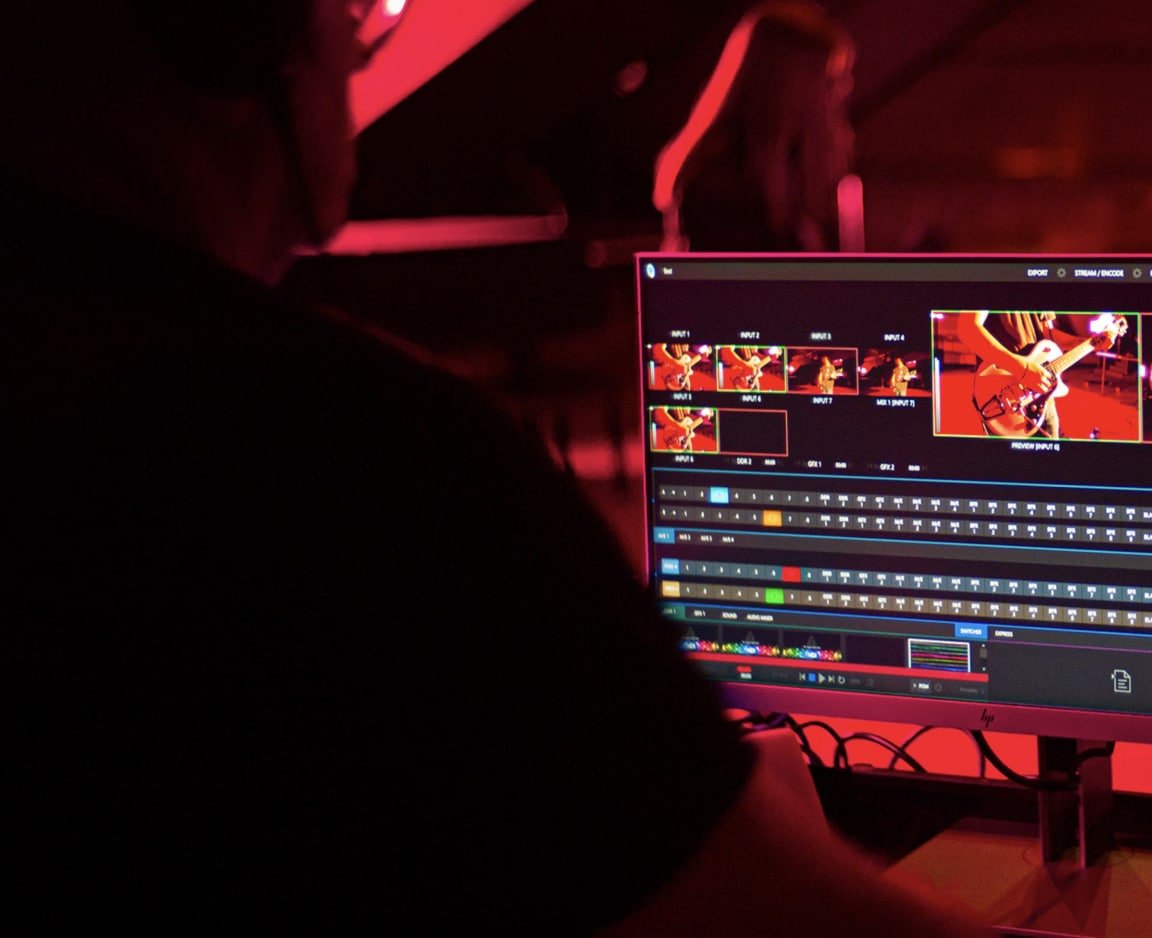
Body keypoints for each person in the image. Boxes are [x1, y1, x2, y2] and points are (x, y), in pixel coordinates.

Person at [2, 3, 994, 932]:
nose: (360, 47)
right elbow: (781, 911)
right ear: (229, 39)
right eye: (349, 10)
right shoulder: (363, 465)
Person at [653, 0, 855, 252]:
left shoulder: (796, 168)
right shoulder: (718, 183)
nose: (841, 92)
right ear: (788, 86)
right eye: (828, 79)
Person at [957, 312, 1118, 438]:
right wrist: (1023, 369)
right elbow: (968, 327)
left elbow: (1046, 333)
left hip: (1040, 393)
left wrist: (1087, 343)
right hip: (1006, 395)